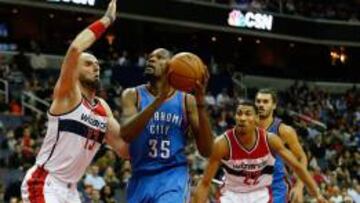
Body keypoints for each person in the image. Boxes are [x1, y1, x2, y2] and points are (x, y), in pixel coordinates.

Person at [21, 1, 128, 202]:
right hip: (46, 182)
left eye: (97, 65)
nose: (95, 67)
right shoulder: (68, 94)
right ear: (75, 70)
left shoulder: (103, 108)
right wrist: (106, 20)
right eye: (88, 64)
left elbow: (124, 149)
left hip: (71, 191)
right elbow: (75, 49)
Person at [120, 48, 214, 202]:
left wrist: (201, 103)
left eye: (159, 57)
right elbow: (126, 135)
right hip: (139, 177)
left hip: (172, 176)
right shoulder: (132, 95)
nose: (152, 59)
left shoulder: (186, 101)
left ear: (173, 65)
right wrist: (159, 99)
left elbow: (207, 151)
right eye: (150, 57)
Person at [193, 101, 327, 203]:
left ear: (257, 119)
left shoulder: (270, 140)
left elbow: (297, 167)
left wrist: (317, 194)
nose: (243, 118)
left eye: (247, 114)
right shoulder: (222, 143)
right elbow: (205, 183)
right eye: (239, 113)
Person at [255, 88, 308, 203]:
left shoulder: (284, 130)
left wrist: (299, 186)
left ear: (274, 105)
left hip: (276, 191)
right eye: (258, 101)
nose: (261, 105)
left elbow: (301, 157)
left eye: (265, 102)